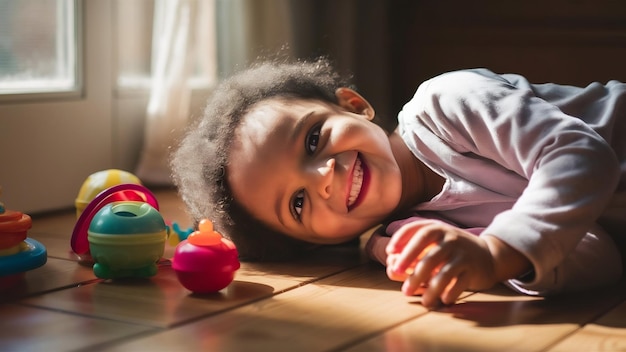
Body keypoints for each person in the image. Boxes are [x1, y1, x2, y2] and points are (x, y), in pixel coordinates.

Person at [170, 58, 626, 308]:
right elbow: (598, 253)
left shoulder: (446, 103)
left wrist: (496, 254)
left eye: (313, 140)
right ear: (315, 245)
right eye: (297, 204)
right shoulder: (422, 230)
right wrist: (497, 262)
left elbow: (582, 157)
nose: (324, 179)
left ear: (354, 105)